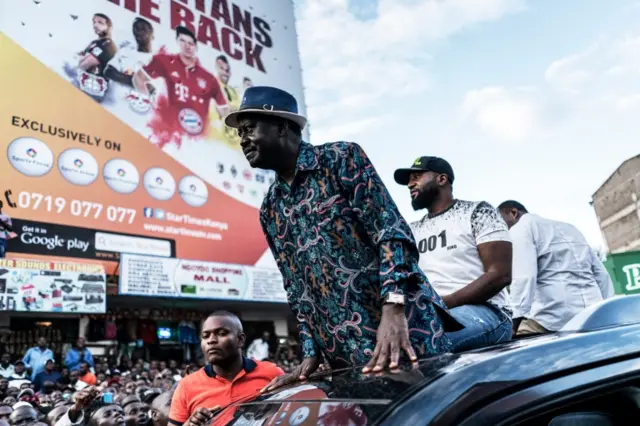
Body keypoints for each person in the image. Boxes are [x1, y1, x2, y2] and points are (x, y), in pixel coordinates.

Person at [226, 86, 460, 389]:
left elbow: (391, 234)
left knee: (439, 409)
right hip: (346, 356)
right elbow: (296, 288)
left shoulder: (341, 159)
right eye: (239, 133)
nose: (242, 139)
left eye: (248, 129)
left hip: (404, 332)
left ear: (282, 127)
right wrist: (310, 352)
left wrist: (393, 309)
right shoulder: (270, 209)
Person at [394, 156, 513, 352]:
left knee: (422, 342)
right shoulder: (411, 230)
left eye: (416, 177)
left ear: (442, 179)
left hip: (488, 311)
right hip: (430, 313)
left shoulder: (477, 211)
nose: (409, 185)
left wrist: (442, 304)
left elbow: (500, 274)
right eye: (409, 180)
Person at [498, 200, 616, 335]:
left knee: (513, 344)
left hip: (553, 319)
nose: (501, 230)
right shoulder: (570, 228)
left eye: (501, 223)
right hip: (591, 313)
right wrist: (607, 309)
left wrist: (514, 324)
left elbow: (525, 277)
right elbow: (601, 274)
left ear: (513, 213)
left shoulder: (520, 228)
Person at [169, 311, 283, 426]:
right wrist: (189, 424)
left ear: (240, 339)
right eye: (205, 336)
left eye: (222, 333)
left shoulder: (272, 373)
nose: (211, 340)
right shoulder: (186, 385)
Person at [132, 26, 229, 149]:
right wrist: (147, 107)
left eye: (190, 43)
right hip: (167, 136)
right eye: (183, 41)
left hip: (199, 143)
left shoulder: (209, 78)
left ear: (196, 47)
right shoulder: (164, 61)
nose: (187, 46)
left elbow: (224, 111)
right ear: (177, 41)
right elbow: (139, 79)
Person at [104, 17, 154, 115]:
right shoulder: (125, 52)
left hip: (142, 114)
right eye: (136, 29)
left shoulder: (156, 59)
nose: (139, 32)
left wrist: (121, 77)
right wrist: (136, 82)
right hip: (113, 108)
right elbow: (109, 72)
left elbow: (154, 88)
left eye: (143, 29)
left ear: (151, 34)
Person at [76, 13, 118, 100]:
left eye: (100, 23)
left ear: (109, 27)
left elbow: (83, 64)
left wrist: (83, 59)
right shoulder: (94, 42)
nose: (95, 25)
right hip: (84, 86)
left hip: (96, 92)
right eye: (94, 22)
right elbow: (81, 57)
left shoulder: (108, 45)